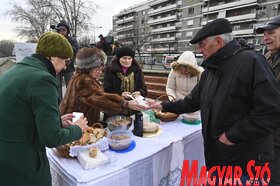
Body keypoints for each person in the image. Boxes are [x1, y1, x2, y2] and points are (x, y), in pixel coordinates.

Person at [146, 18, 280, 185]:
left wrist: (233, 135)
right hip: (218, 157)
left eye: (202, 44)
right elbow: (192, 101)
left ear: (218, 42)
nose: (199, 50)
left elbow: (271, 111)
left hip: (246, 162)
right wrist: (162, 105)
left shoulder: (251, 62)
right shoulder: (211, 69)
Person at [0, 32, 88, 186]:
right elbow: (51, 138)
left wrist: (57, 121)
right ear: (52, 57)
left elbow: (20, 115)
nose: (66, 66)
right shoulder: (43, 79)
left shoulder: (12, 72)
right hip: (25, 164)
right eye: (65, 61)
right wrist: (77, 129)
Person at [60, 47, 143, 126]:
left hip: (80, 120)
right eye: (97, 69)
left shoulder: (86, 76)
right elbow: (100, 98)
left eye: (101, 69)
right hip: (74, 122)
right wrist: (125, 103)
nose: (100, 72)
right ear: (88, 67)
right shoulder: (83, 80)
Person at [256, 15, 280, 185]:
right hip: (266, 135)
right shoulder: (268, 57)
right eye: (264, 34)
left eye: (271, 33)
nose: (265, 38)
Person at [56, 20, 79, 102]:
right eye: (59, 30)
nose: (61, 32)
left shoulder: (72, 40)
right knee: (57, 87)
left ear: (67, 31)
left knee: (70, 86)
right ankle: (59, 105)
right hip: (57, 67)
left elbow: (75, 49)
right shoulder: (55, 39)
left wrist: (67, 55)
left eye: (64, 30)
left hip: (68, 67)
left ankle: (71, 103)